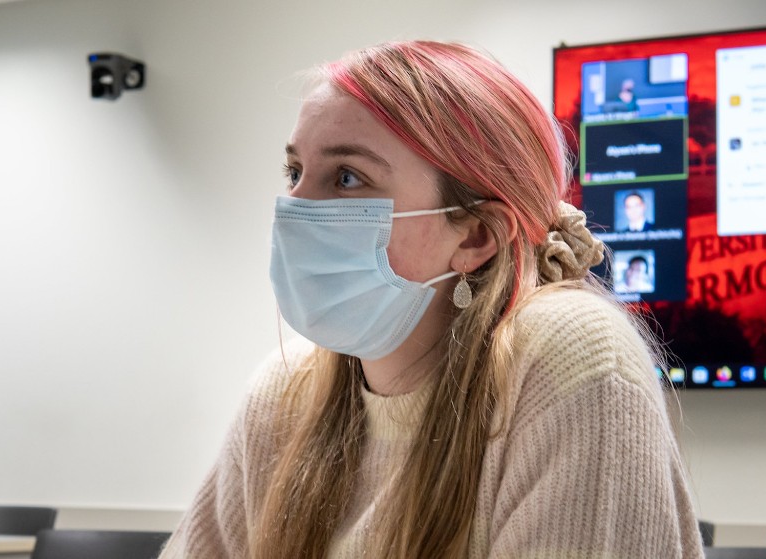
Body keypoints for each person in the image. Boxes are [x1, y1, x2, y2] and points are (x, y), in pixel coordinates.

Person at [160, 41, 702, 559]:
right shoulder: (284, 392)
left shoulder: (569, 357)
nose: (294, 208)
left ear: (474, 236)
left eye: (347, 177)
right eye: (295, 172)